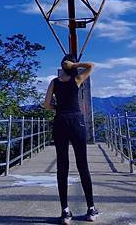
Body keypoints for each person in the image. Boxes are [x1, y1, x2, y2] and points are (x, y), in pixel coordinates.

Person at [43, 53, 99, 224]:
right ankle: (91, 209)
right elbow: (91, 65)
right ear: (73, 66)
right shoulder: (78, 80)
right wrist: (74, 66)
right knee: (83, 165)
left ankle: (65, 212)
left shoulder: (54, 82)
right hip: (76, 121)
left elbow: (46, 105)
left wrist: (58, 108)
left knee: (62, 166)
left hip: (60, 121)